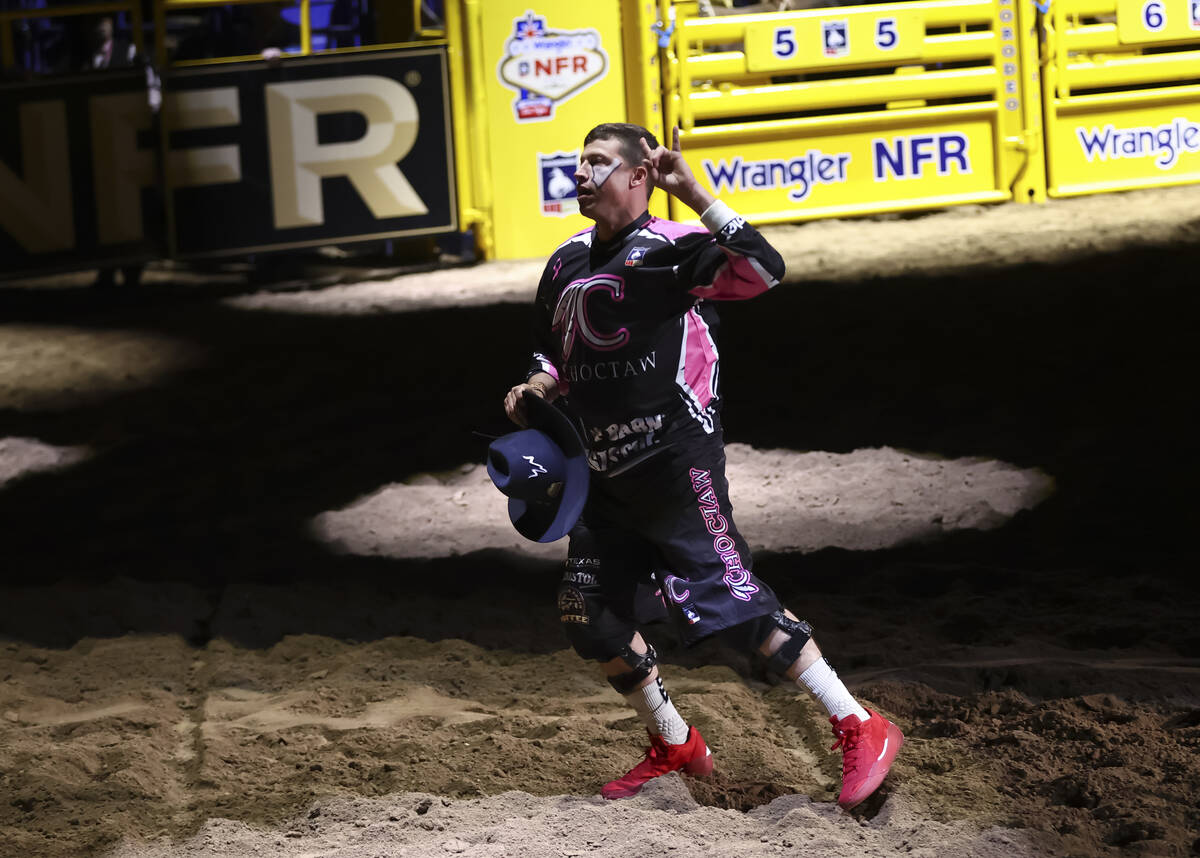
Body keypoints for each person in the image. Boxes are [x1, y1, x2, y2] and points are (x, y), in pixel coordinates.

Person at [501, 122, 903, 808]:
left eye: (598, 163)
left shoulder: (678, 247)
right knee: (588, 615)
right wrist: (536, 386)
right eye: (578, 163)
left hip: (674, 464)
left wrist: (691, 190)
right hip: (598, 478)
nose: (581, 174)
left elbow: (764, 269)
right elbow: (549, 351)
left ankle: (860, 723)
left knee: (737, 608)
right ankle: (675, 742)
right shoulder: (565, 262)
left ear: (637, 177)